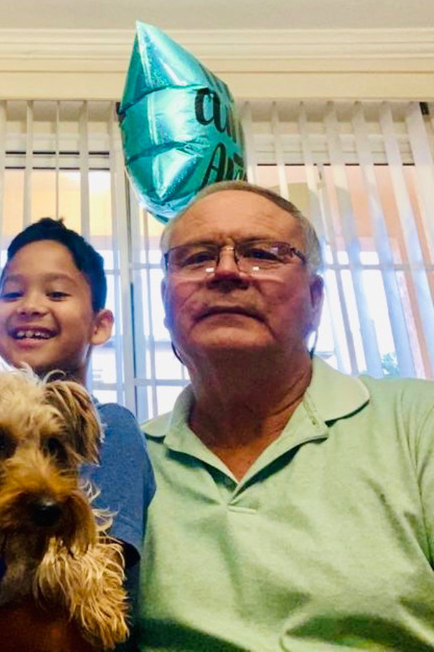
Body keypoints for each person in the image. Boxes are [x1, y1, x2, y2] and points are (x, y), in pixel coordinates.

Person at [136, 180, 434, 651]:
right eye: (197, 257)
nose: (226, 271)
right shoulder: (130, 462)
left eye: (262, 254)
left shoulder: (418, 423)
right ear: (165, 302)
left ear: (315, 300)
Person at [0, 218, 155, 650]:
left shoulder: (107, 426)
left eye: (56, 293)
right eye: (12, 293)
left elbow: (86, 585)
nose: (30, 305)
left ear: (99, 325)